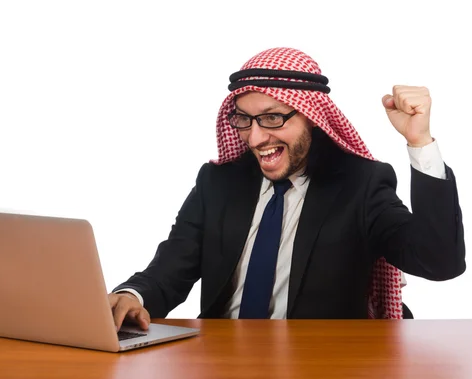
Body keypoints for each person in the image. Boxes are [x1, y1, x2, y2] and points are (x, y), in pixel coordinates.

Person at [108, 47, 466, 330]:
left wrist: (419, 140)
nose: (256, 136)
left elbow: (440, 262)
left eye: (272, 117)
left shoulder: (361, 185)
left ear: (311, 115)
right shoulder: (218, 181)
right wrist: (133, 295)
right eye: (244, 120)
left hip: (321, 361)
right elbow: (173, 264)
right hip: (219, 358)